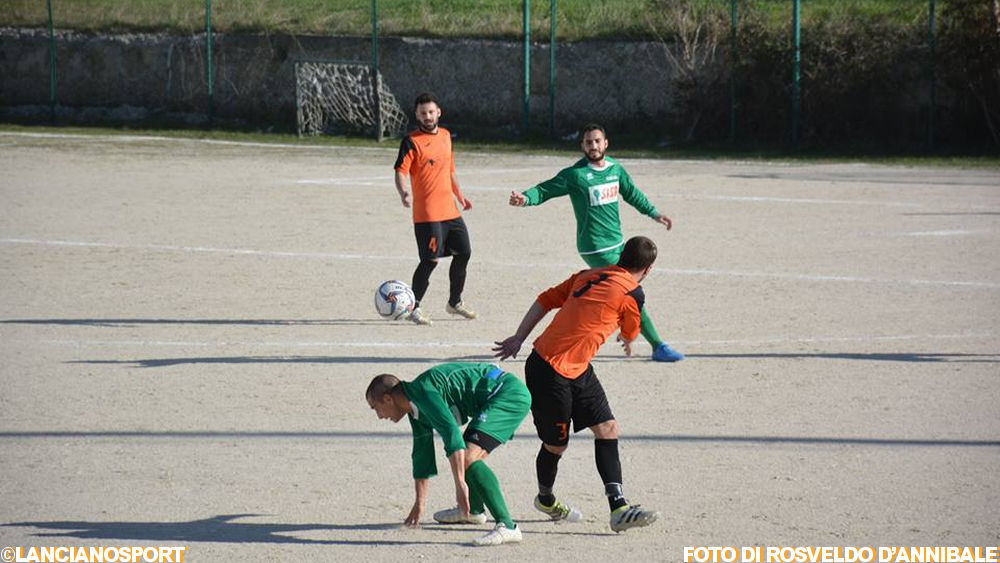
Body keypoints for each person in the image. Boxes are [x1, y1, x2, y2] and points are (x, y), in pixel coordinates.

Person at [493, 236, 662, 533]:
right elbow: (632, 331)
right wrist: (627, 339)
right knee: (556, 445)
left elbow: (545, 300)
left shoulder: (588, 274)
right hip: (548, 370)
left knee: (608, 428)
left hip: (578, 368)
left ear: (621, 256)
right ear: (648, 270)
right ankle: (545, 499)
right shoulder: (633, 293)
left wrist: (519, 336)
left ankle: (618, 507)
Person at [508, 123, 683, 362]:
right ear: (582, 146)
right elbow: (545, 190)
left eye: (597, 141)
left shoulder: (615, 170)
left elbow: (632, 193)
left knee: (626, 290)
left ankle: (626, 330)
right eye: (588, 142)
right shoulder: (575, 175)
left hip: (618, 243)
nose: (593, 146)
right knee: (630, 290)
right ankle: (657, 345)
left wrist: (653, 212)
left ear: (606, 143)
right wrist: (526, 198)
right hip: (595, 247)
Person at [365, 362, 531, 546]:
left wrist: (460, 485)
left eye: (375, 408)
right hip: (493, 399)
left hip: (506, 394)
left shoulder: (423, 391)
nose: (379, 416)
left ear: (388, 399)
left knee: (467, 457)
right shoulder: (414, 407)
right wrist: (420, 503)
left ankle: (508, 526)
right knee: (466, 457)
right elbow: (422, 455)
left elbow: (452, 434)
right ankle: (472, 512)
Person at [393, 92, 477, 326]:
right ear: (417, 115)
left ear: (438, 112)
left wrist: (460, 196)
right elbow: (400, 171)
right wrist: (403, 192)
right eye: (422, 113)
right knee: (430, 260)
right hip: (427, 214)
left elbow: (449, 170)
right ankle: (413, 306)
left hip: (450, 211)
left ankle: (455, 302)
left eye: (431, 112)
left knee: (464, 253)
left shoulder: (446, 136)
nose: (427, 116)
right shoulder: (411, 141)